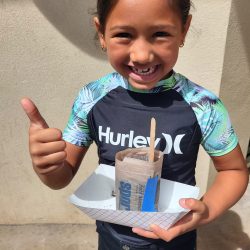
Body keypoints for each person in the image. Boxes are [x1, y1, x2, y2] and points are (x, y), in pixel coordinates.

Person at [21, 0, 249, 249]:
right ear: (102, 33)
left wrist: (207, 211)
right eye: (124, 35)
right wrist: (47, 166)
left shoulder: (203, 105)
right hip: (111, 238)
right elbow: (60, 178)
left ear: (183, 29)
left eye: (160, 34)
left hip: (175, 240)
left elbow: (234, 171)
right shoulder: (91, 97)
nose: (142, 55)